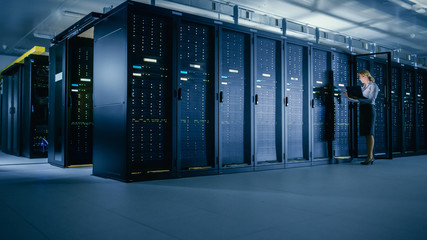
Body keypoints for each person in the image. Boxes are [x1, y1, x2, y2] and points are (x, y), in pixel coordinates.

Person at [343, 70, 379, 165]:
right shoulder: (363, 87)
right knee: (366, 133)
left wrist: (357, 98)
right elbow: (359, 100)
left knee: (369, 133)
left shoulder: (373, 86)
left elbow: (371, 100)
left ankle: (370, 156)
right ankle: (369, 156)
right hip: (363, 109)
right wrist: (348, 97)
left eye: (360, 77)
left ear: (365, 76)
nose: (359, 79)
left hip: (369, 109)